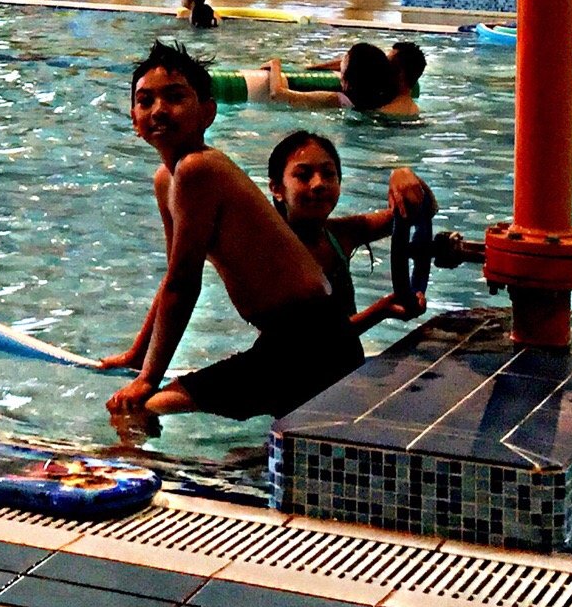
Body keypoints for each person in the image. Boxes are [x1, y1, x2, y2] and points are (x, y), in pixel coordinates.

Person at [101, 43, 423, 425]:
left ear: (208, 112)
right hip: (287, 344)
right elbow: (175, 276)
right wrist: (139, 355)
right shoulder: (167, 179)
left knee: (139, 412)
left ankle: (169, 480)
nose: (158, 109)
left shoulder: (198, 169)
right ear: (134, 120)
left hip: (312, 343)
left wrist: (147, 380)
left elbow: (184, 285)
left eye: (175, 97)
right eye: (145, 100)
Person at [269, 41, 424, 119]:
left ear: (400, 74)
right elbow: (360, 65)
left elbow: (278, 94)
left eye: (386, 63)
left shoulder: (373, 106)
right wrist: (312, 68)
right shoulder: (413, 111)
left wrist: (275, 64)